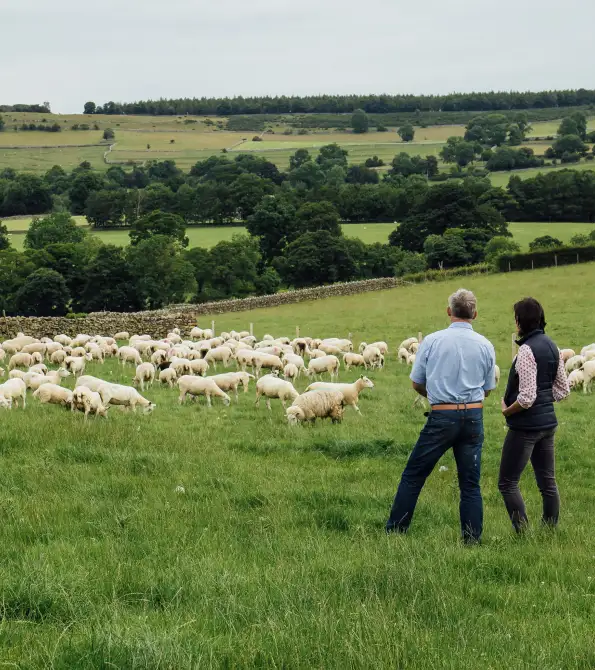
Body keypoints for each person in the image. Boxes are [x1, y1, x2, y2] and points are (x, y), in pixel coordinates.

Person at [386, 289, 496, 543]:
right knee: (470, 482)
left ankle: (396, 531)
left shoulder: (432, 341)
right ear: (475, 314)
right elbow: (488, 389)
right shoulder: (485, 345)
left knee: (414, 475)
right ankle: (472, 539)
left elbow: (416, 383)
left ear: (449, 312)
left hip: (442, 416)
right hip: (472, 417)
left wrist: (435, 394)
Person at [499, 297, 570, 532]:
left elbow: (527, 398)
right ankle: (549, 529)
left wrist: (507, 410)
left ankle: (523, 532)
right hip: (548, 424)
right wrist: (542, 397)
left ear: (520, 321)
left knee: (507, 482)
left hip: (525, 428)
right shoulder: (553, 346)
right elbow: (562, 390)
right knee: (547, 482)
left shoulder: (527, 350)